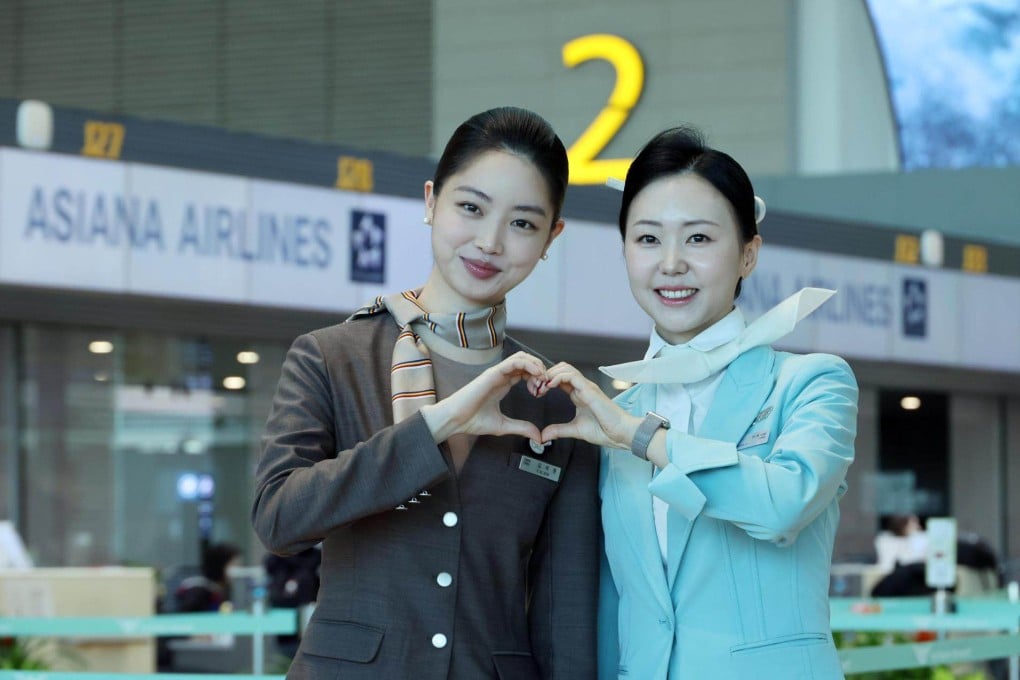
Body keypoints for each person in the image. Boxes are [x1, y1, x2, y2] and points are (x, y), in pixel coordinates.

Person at [252, 107, 599, 680]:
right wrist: (435, 426)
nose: (489, 242)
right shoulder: (332, 356)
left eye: (522, 224)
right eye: (471, 207)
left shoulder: (557, 399)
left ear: (551, 238)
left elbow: (564, 608)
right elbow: (278, 518)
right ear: (432, 201)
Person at [532, 126, 859, 679]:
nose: (672, 263)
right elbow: (619, 602)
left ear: (748, 254)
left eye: (700, 239)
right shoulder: (613, 416)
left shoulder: (810, 382)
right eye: (648, 239)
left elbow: (783, 504)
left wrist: (640, 436)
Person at [173, 542, 242, 613]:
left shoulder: (224, 589)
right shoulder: (197, 591)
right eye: (234, 565)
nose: (238, 570)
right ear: (219, 565)